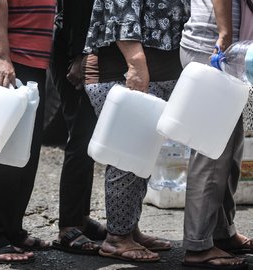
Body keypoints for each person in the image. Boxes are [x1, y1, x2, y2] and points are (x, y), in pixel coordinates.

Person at [83, 0, 189, 262]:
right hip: (127, 73)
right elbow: (121, 13)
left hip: (154, 73)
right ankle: (116, 239)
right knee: (127, 158)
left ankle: (128, 228)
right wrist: (136, 64)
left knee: (142, 158)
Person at [0, 0, 55, 264]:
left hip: (32, 62)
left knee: (22, 154)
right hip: (7, 60)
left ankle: (10, 230)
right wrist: (1, 56)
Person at [180, 0, 251, 269]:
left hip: (227, 48)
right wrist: (225, 35)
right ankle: (198, 245)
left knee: (230, 148)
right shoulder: (222, 40)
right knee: (211, 152)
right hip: (214, 47)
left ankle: (222, 231)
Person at [49, 0, 103, 255]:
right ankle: (68, 225)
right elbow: (77, 10)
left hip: (87, 48)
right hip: (73, 50)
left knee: (89, 137)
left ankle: (81, 217)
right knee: (81, 136)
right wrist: (78, 56)